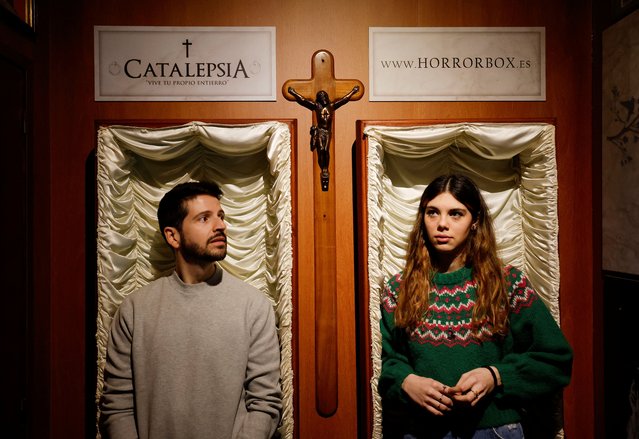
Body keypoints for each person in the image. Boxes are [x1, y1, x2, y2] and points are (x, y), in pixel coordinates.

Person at [378, 174, 573, 439]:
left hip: (495, 430)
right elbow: (389, 361)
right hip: (422, 431)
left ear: (475, 222)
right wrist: (406, 381)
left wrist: (496, 376)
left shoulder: (507, 285)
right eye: (432, 212)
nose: (442, 224)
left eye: (456, 214)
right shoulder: (398, 289)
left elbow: (555, 359)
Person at [100, 181, 282, 439]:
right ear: (173, 236)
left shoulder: (253, 306)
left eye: (220, 216)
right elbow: (117, 406)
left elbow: (265, 403)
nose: (220, 226)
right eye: (204, 218)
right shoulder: (134, 310)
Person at [288, 85, 359, 190]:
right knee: (321, 150)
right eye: (321, 97)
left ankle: (325, 168)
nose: (324, 98)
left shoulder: (332, 106)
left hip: (327, 132)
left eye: (325, 96)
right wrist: (293, 93)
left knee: (326, 149)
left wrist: (353, 91)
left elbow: (344, 100)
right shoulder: (317, 106)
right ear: (319, 99)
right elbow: (303, 100)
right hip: (320, 130)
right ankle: (323, 168)